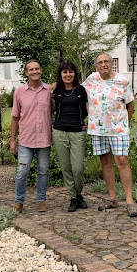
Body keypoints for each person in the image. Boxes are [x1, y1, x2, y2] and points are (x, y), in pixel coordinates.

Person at [83, 52, 137, 218]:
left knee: (122, 160)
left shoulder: (122, 81)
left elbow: (130, 103)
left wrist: (125, 123)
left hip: (118, 129)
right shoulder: (91, 79)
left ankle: (129, 201)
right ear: (96, 66)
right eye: (100, 63)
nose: (103, 65)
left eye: (106, 61)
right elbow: (75, 88)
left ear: (112, 63)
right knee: (105, 161)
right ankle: (112, 198)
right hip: (98, 129)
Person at [10, 59, 52, 212]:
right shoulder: (19, 92)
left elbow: (54, 111)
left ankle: (41, 200)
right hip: (26, 140)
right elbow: (15, 117)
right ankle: (19, 200)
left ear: (40, 70)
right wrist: (13, 140)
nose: (35, 71)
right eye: (31, 69)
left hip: (44, 138)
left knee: (43, 171)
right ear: (26, 73)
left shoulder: (48, 90)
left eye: (37, 68)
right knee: (22, 171)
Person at [51, 60, 89, 212]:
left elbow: (86, 110)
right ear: (60, 75)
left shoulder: (81, 90)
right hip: (60, 132)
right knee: (66, 168)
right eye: (65, 72)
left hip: (77, 132)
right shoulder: (56, 91)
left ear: (75, 74)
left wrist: (84, 122)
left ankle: (78, 193)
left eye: (70, 71)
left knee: (78, 168)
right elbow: (52, 110)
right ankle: (74, 198)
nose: (68, 74)